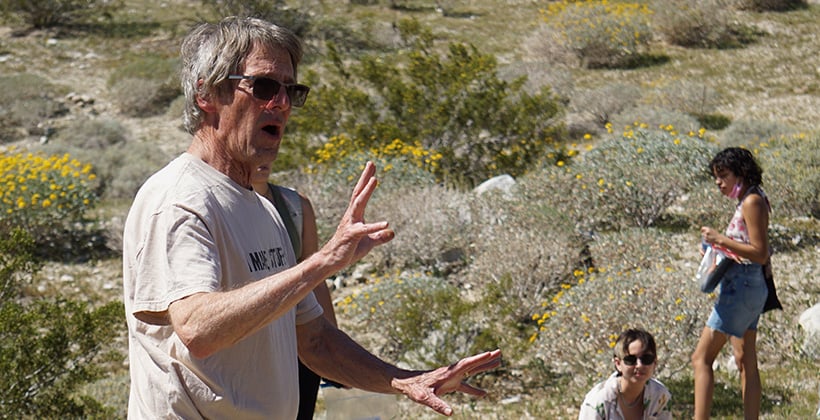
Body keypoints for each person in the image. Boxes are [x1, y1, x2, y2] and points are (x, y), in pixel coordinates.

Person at [122, 16, 502, 419]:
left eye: (292, 91)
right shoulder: (180, 198)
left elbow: (315, 340)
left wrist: (404, 381)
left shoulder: (263, 206)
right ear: (207, 93)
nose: (282, 104)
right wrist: (321, 263)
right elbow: (198, 329)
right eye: (265, 87)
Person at [250, 162, 339, 420]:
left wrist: (331, 348)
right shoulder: (219, 206)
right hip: (250, 345)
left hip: (298, 342)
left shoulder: (295, 206)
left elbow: (315, 279)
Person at [691, 147, 773, 420]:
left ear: (741, 173)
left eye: (723, 175)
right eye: (716, 176)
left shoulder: (751, 202)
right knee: (745, 359)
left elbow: (760, 252)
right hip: (750, 286)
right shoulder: (753, 198)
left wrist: (719, 240)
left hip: (742, 286)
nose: (719, 182)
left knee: (701, 359)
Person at [579, 328, 672, 420]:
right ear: (618, 364)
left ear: (655, 362)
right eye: (630, 360)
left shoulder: (659, 396)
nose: (639, 365)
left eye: (646, 359)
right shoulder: (597, 402)